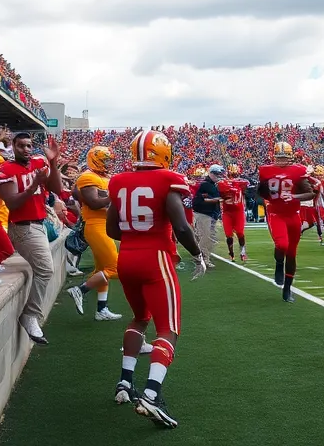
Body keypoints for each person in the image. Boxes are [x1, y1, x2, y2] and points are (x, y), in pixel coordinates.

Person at [109, 129, 205, 429]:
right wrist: (198, 254)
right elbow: (181, 227)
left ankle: (125, 383)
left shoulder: (118, 181)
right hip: (156, 258)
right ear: (162, 152)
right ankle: (151, 395)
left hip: (126, 257)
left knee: (139, 318)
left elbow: (113, 229)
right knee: (168, 329)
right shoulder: (167, 179)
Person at [0, 132, 64, 346]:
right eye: (21, 145)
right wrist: (34, 186)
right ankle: (30, 315)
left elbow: (57, 189)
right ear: (13, 146)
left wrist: (52, 162)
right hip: (22, 227)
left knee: (44, 269)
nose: (26, 149)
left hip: (38, 224)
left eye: (29, 145)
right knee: (45, 269)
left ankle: (31, 314)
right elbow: (12, 203)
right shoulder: (6, 169)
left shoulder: (39, 162)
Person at [66, 146, 123, 320]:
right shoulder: (88, 176)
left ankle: (101, 309)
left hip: (105, 224)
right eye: (105, 159)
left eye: (109, 160)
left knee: (102, 269)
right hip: (95, 224)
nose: (108, 163)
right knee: (116, 267)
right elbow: (94, 202)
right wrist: (115, 195)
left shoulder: (103, 177)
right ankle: (80, 290)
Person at [258, 141, 314, 302]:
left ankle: (288, 288)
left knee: (292, 253)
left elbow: (310, 193)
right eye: (279, 157)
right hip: (276, 213)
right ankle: (278, 263)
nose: (281, 160)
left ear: (290, 156)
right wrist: (266, 199)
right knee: (282, 245)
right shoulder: (266, 170)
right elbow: (259, 192)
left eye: (284, 157)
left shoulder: (298, 171)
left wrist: (294, 196)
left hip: (293, 214)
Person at [217, 164, 249, 261]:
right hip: (227, 211)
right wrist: (229, 185)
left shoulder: (241, 182)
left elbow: (247, 184)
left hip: (238, 211)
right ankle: (231, 252)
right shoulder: (222, 183)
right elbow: (221, 188)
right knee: (228, 234)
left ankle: (242, 251)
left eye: (235, 175)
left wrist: (234, 184)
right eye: (232, 175)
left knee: (240, 232)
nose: (234, 177)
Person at [191, 165, 222, 263]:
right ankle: (201, 257)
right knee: (206, 237)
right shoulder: (206, 185)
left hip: (209, 214)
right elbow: (207, 200)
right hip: (204, 214)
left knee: (208, 237)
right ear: (211, 173)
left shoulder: (211, 185)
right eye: (216, 174)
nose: (218, 176)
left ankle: (203, 257)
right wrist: (220, 198)